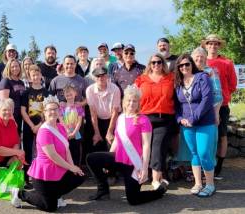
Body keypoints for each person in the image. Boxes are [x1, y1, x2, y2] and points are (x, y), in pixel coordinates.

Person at [86, 85, 167, 204]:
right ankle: (103, 190)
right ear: (124, 102)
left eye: (135, 101)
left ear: (138, 103)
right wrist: (108, 160)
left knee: (133, 200)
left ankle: (159, 191)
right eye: (129, 100)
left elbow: (146, 145)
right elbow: (117, 140)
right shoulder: (120, 118)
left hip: (133, 163)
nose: (131, 103)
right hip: (118, 158)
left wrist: (144, 169)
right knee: (91, 158)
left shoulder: (143, 120)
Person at [10, 95, 85, 211]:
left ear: (59, 111)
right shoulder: (44, 131)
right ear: (44, 113)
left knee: (79, 176)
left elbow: (66, 149)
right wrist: (71, 167)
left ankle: (57, 195)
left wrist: (73, 166)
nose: (53, 112)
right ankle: (20, 194)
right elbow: (53, 156)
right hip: (44, 174)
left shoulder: (60, 127)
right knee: (50, 207)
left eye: (55, 109)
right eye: (49, 109)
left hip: (59, 169)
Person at [175, 53, 217, 197]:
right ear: (178, 68)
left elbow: (207, 99)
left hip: (205, 122)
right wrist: (180, 118)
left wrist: (193, 118)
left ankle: (210, 184)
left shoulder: (202, 77)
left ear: (192, 64)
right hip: (187, 125)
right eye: (181, 65)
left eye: (187, 64)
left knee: (204, 153)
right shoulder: (178, 83)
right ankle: (198, 183)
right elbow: (176, 106)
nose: (184, 67)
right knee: (194, 153)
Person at [135, 53, 175, 190]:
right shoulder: (141, 79)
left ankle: (155, 179)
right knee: (145, 148)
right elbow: (133, 97)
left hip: (164, 118)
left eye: (159, 62)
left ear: (163, 63)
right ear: (149, 65)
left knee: (158, 148)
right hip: (145, 118)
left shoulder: (171, 78)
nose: (156, 65)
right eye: (153, 63)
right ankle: (143, 174)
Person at [201, 34, 237, 177]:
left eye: (216, 43)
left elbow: (233, 85)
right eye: (210, 43)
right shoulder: (200, 60)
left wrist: (222, 95)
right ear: (206, 45)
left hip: (221, 105)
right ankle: (206, 164)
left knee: (222, 135)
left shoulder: (227, 63)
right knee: (207, 135)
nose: (213, 46)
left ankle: (219, 167)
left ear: (219, 45)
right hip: (203, 105)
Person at [21, 64, 49, 188]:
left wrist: (40, 125)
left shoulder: (47, 92)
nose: (36, 77)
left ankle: (41, 176)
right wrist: (32, 126)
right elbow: (23, 111)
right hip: (29, 126)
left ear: (41, 76)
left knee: (42, 151)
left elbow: (49, 110)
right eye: (33, 75)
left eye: (38, 74)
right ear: (30, 78)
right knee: (27, 151)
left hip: (43, 126)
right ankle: (26, 177)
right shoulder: (25, 92)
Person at [86, 67, 121, 152]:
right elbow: (93, 112)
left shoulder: (115, 89)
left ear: (107, 76)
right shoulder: (89, 90)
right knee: (96, 141)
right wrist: (96, 132)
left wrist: (110, 131)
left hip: (112, 119)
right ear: (94, 78)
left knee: (111, 143)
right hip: (97, 119)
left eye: (103, 75)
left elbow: (115, 112)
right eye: (98, 76)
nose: (100, 78)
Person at [59, 85, 84, 166]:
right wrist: (67, 131)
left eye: (71, 94)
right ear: (64, 96)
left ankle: (77, 169)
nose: (69, 97)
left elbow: (80, 121)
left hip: (76, 134)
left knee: (76, 152)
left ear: (75, 94)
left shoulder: (79, 107)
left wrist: (74, 133)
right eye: (67, 95)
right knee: (66, 152)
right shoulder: (62, 107)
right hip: (65, 134)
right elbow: (61, 120)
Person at [0, 59, 25, 133]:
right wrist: (12, 119)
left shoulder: (21, 82)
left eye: (17, 66)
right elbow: (4, 103)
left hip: (19, 116)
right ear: (8, 68)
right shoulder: (5, 81)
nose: (15, 68)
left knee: (17, 140)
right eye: (12, 67)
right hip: (9, 117)